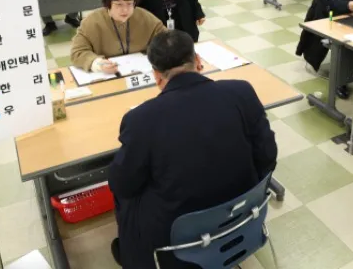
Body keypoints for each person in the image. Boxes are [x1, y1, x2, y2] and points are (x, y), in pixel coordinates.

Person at [108, 30, 277, 268]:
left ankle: (133, 254)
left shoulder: (141, 119)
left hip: (178, 240)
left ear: (156, 75)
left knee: (126, 195)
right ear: (198, 61)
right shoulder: (241, 91)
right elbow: (268, 155)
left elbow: (122, 184)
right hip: (244, 213)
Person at [70, 0, 166, 74]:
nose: (125, 10)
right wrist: (98, 64)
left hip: (143, 72)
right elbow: (77, 52)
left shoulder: (146, 18)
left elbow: (168, 42)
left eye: (129, 4)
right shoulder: (91, 22)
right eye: (119, 4)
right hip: (106, 74)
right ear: (108, 4)